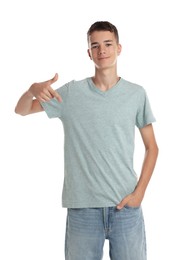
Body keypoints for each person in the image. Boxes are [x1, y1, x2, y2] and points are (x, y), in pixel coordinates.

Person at [15, 21, 159, 260]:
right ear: (89, 53)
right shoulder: (71, 93)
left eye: (108, 44)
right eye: (95, 45)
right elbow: (22, 110)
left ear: (119, 48)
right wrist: (32, 89)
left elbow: (152, 147)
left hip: (125, 206)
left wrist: (140, 193)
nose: (102, 50)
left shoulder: (136, 94)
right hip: (83, 209)